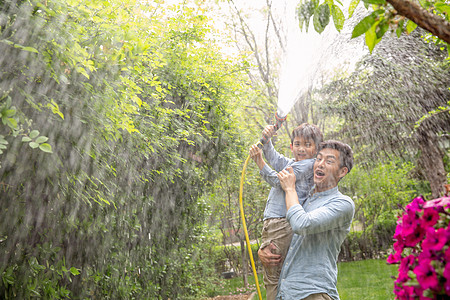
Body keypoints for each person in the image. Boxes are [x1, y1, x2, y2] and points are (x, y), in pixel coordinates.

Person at [267, 140, 354, 300]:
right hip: (285, 292)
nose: (320, 164)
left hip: (313, 292)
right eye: (318, 158)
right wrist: (266, 250)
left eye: (329, 161)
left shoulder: (343, 204)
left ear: (342, 172)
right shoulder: (303, 198)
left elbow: (302, 224)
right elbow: (287, 233)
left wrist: (289, 188)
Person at [249, 123, 323, 300]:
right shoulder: (292, 163)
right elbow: (275, 159)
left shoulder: (309, 165)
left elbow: (279, 181)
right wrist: (266, 140)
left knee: (274, 275)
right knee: (273, 272)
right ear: (291, 146)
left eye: (307, 144)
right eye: (297, 144)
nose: (301, 149)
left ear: (317, 148)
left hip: (282, 224)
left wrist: (260, 162)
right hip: (274, 225)